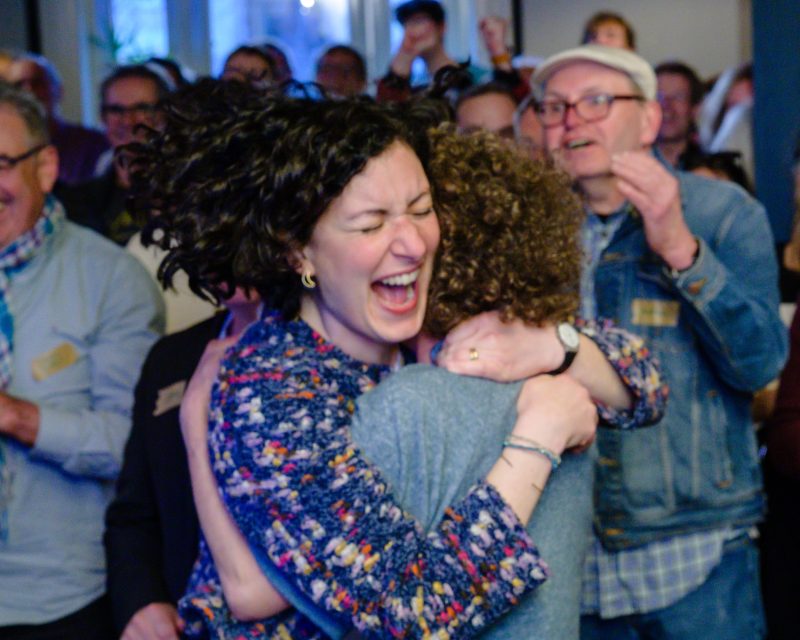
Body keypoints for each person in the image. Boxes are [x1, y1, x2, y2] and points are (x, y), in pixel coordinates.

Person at [129, 79, 598, 638]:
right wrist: (540, 436)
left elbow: (641, 378)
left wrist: (560, 348)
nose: (413, 244)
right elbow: (410, 613)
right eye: (371, 223)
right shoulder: (274, 389)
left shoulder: (427, 323)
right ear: (299, 251)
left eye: (421, 210)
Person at [531, 44, 787, 638]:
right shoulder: (531, 228)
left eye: (596, 101)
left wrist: (679, 248)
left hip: (695, 551)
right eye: (554, 107)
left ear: (649, 119)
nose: (571, 120)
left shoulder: (723, 212)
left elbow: (759, 365)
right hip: (569, 557)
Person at [0, 82, 163, 637]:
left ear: (45, 167)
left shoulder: (110, 279)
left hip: (62, 600)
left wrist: (17, 417)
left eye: (0, 164)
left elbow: (131, 446)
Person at [104, 291, 259, 639]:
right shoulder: (171, 357)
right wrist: (141, 602)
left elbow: (251, 595)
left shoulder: (333, 351)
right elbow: (133, 513)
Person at [57, 64, 172, 245]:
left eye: (142, 108)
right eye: (116, 110)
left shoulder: (188, 193)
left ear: (165, 114)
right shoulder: (77, 201)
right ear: (103, 117)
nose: (127, 121)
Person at [8, 53, 110, 185]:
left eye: (37, 83)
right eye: (18, 85)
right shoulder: (5, 149)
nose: (28, 91)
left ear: (58, 90)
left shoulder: (93, 144)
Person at [377, 0, 488, 103]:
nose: (411, 31)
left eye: (418, 21)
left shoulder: (478, 76)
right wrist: (404, 56)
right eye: (405, 25)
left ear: (441, 27)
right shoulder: (416, 85)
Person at [654, 60, 705, 168]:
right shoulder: (624, 167)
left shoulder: (712, 172)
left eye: (678, 97)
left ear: (695, 109)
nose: (666, 105)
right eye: (658, 97)